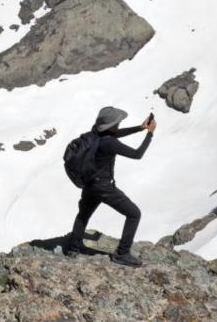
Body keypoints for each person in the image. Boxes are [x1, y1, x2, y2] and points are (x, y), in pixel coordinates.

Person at [63, 106, 156, 266]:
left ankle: (73, 248)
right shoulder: (110, 143)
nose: (119, 124)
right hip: (103, 188)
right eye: (118, 122)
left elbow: (114, 134)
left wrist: (139, 128)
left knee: (83, 215)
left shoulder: (95, 133)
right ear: (112, 124)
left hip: (89, 184)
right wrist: (150, 133)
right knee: (134, 214)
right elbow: (137, 154)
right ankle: (122, 253)